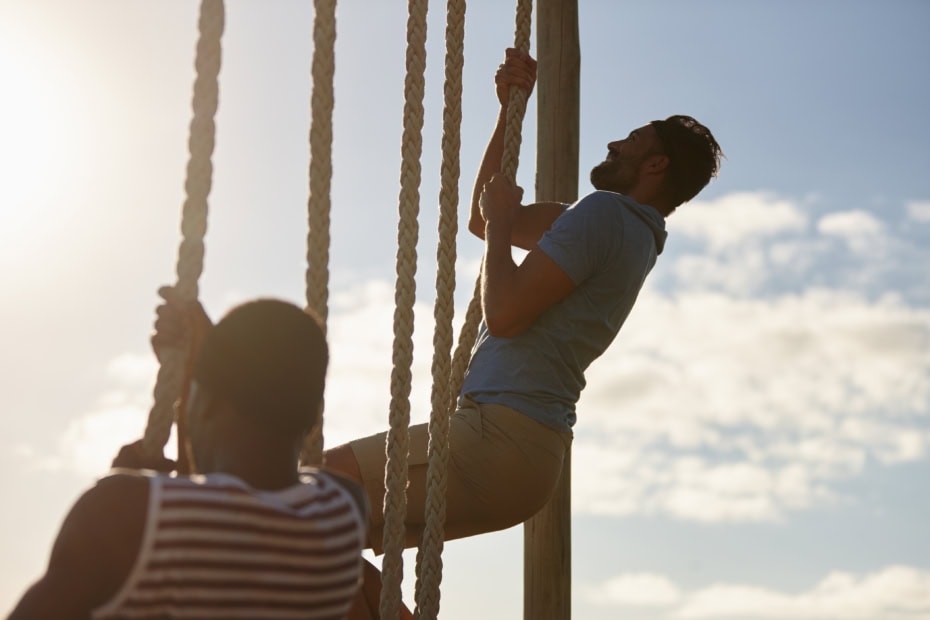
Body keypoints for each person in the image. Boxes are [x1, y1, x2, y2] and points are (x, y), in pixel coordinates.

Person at [323, 48, 723, 552]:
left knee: (312, 485)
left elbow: (506, 314)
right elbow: (484, 217)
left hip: (499, 436)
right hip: (526, 459)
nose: (615, 143)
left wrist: (497, 231)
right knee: (319, 539)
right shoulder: (635, 236)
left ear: (656, 163)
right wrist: (509, 110)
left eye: (633, 139)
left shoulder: (604, 214)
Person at [9, 294, 408, 620]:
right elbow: (226, 506)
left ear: (210, 403)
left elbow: (199, 511)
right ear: (310, 417)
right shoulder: (342, 513)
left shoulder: (122, 515)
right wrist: (211, 365)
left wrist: (126, 480)